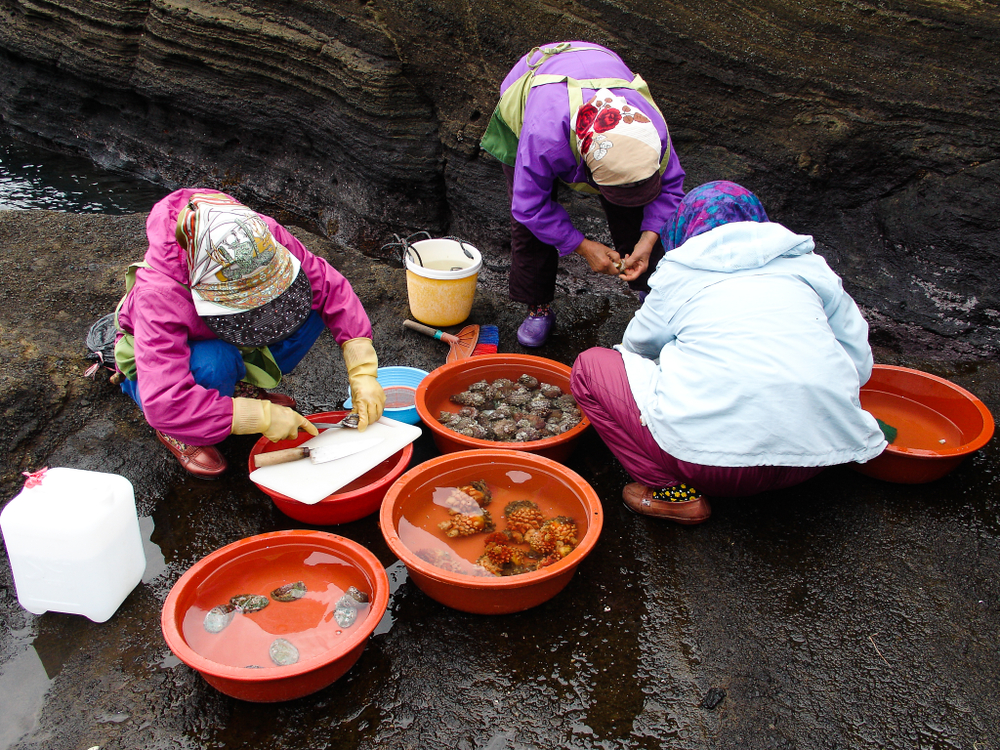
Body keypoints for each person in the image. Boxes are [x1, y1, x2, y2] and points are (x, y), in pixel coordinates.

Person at [570, 181, 887, 524]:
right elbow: (859, 364)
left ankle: (670, 492)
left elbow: (635, 350)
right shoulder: (810, 267)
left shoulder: (681, 272)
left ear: (685, 227)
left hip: (713, 467)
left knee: (590, 368)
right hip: (818, 457)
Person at [114, 189, 386, 478]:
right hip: (179, 358)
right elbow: (165, 402)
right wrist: (256, 417)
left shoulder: (256, 233)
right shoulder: (157, 294)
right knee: (215, 361)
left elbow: (329, 287)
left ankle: (236, 389)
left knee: (309, 302)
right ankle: (181, 434)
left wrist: (363, 371)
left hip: (233, 329)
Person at [480, 41, 686, 347]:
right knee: (529, 226)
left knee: (640, 212)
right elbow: (530, 206)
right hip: (535, 88)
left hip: (601, 68)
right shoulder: (543, 136)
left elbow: (671, 188)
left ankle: (651, 294)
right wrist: (581, 245)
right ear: (586, 173)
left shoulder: (652, 131)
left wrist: (649, 238)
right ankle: (538, 307)